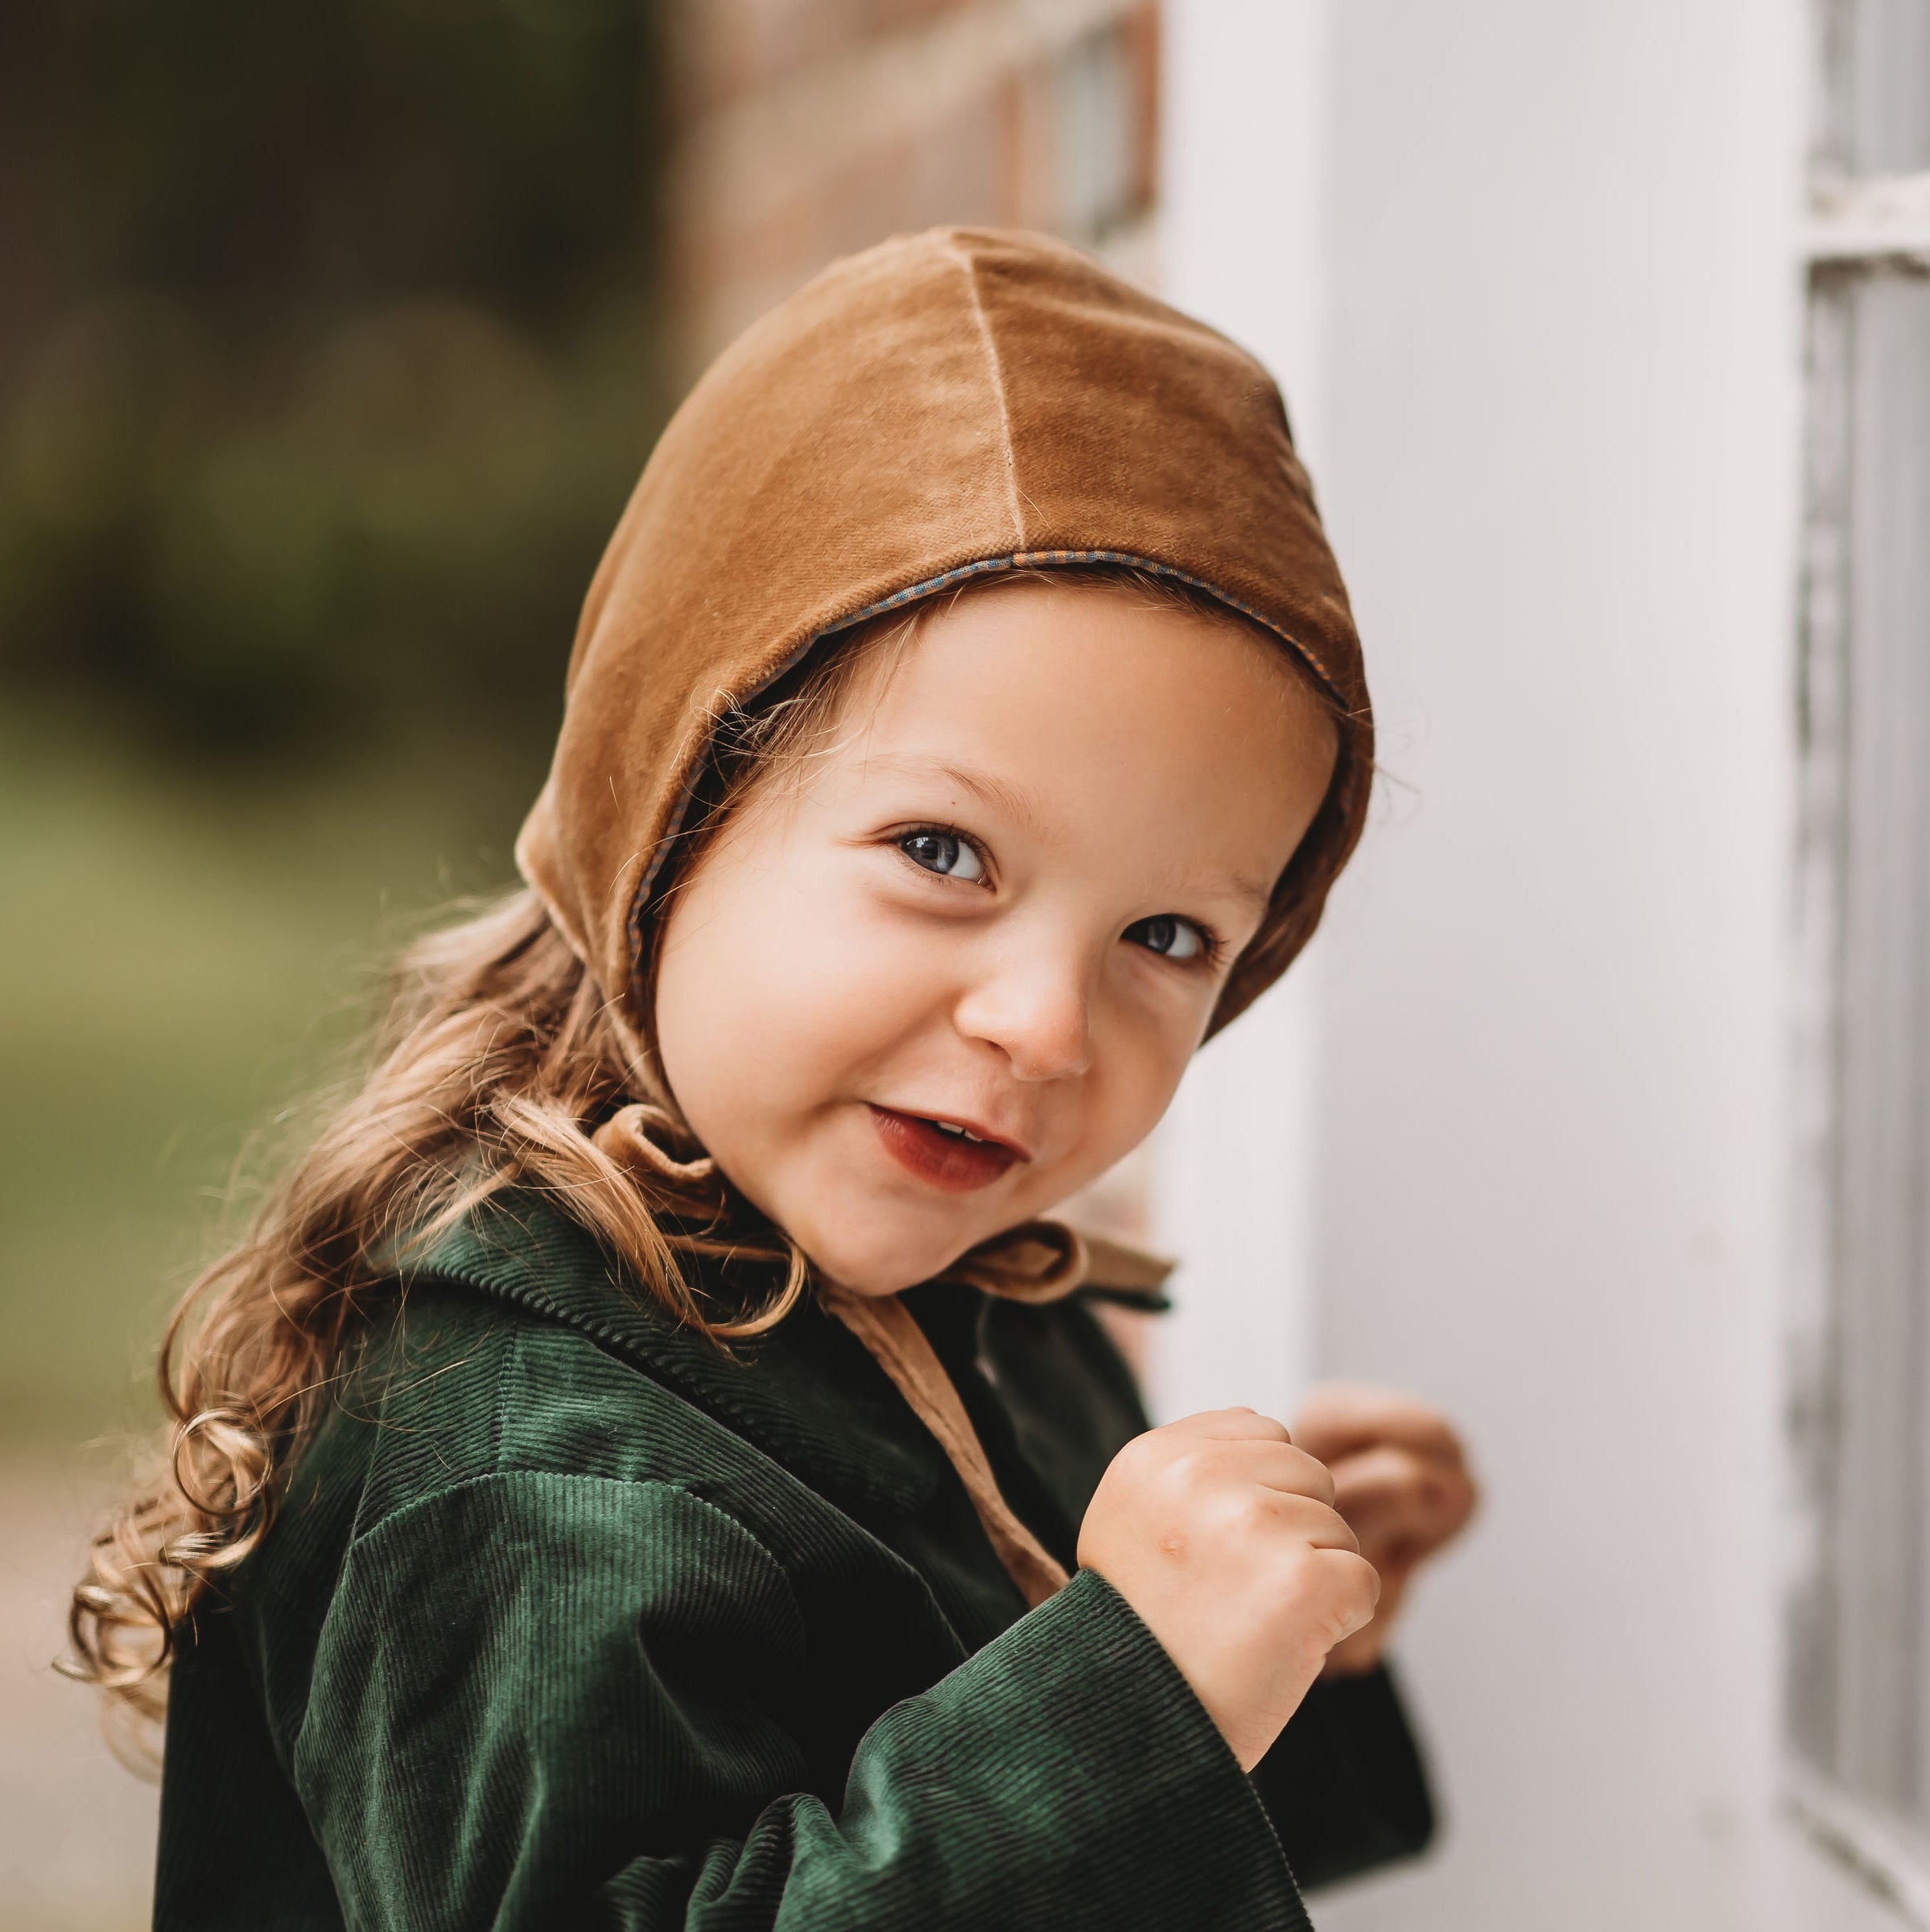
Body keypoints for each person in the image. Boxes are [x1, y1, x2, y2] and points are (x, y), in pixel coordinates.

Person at [70, 228, 1476, 1930]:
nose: (1044, 1022)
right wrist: (1140, 1693)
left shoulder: (970, 1282)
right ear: (670, 813)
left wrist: (1269, 1652)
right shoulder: (541, 1467)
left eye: (1169, 935)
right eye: (943, 849)